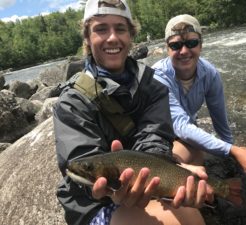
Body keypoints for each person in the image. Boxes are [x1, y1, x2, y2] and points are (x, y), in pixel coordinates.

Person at [53, 2, 208, 225]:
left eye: (120, 28)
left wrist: (162, 173)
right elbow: (79, 169)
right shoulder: (71, 102)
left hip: (138, 172)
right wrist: (106, 189)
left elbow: (154, 137)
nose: (112, 37)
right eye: (101, 29)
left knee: (193, 149)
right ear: (87, 37)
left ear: (131, 35)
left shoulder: (151, 84)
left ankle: (180, 190)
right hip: (96, 201)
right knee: (188, 219)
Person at [152, 14, 246, 177]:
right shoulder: (158, 77)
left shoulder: (210, 74)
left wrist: (233, 154)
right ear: (167, 49)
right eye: (176, 45)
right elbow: (180, 125)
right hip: (158, 136)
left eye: (191, 43)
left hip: (184, 135)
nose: (184, 51)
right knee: (182, 161)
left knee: (197, 158)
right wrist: (232, 150)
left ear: (201, 45)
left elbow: (220, 121)